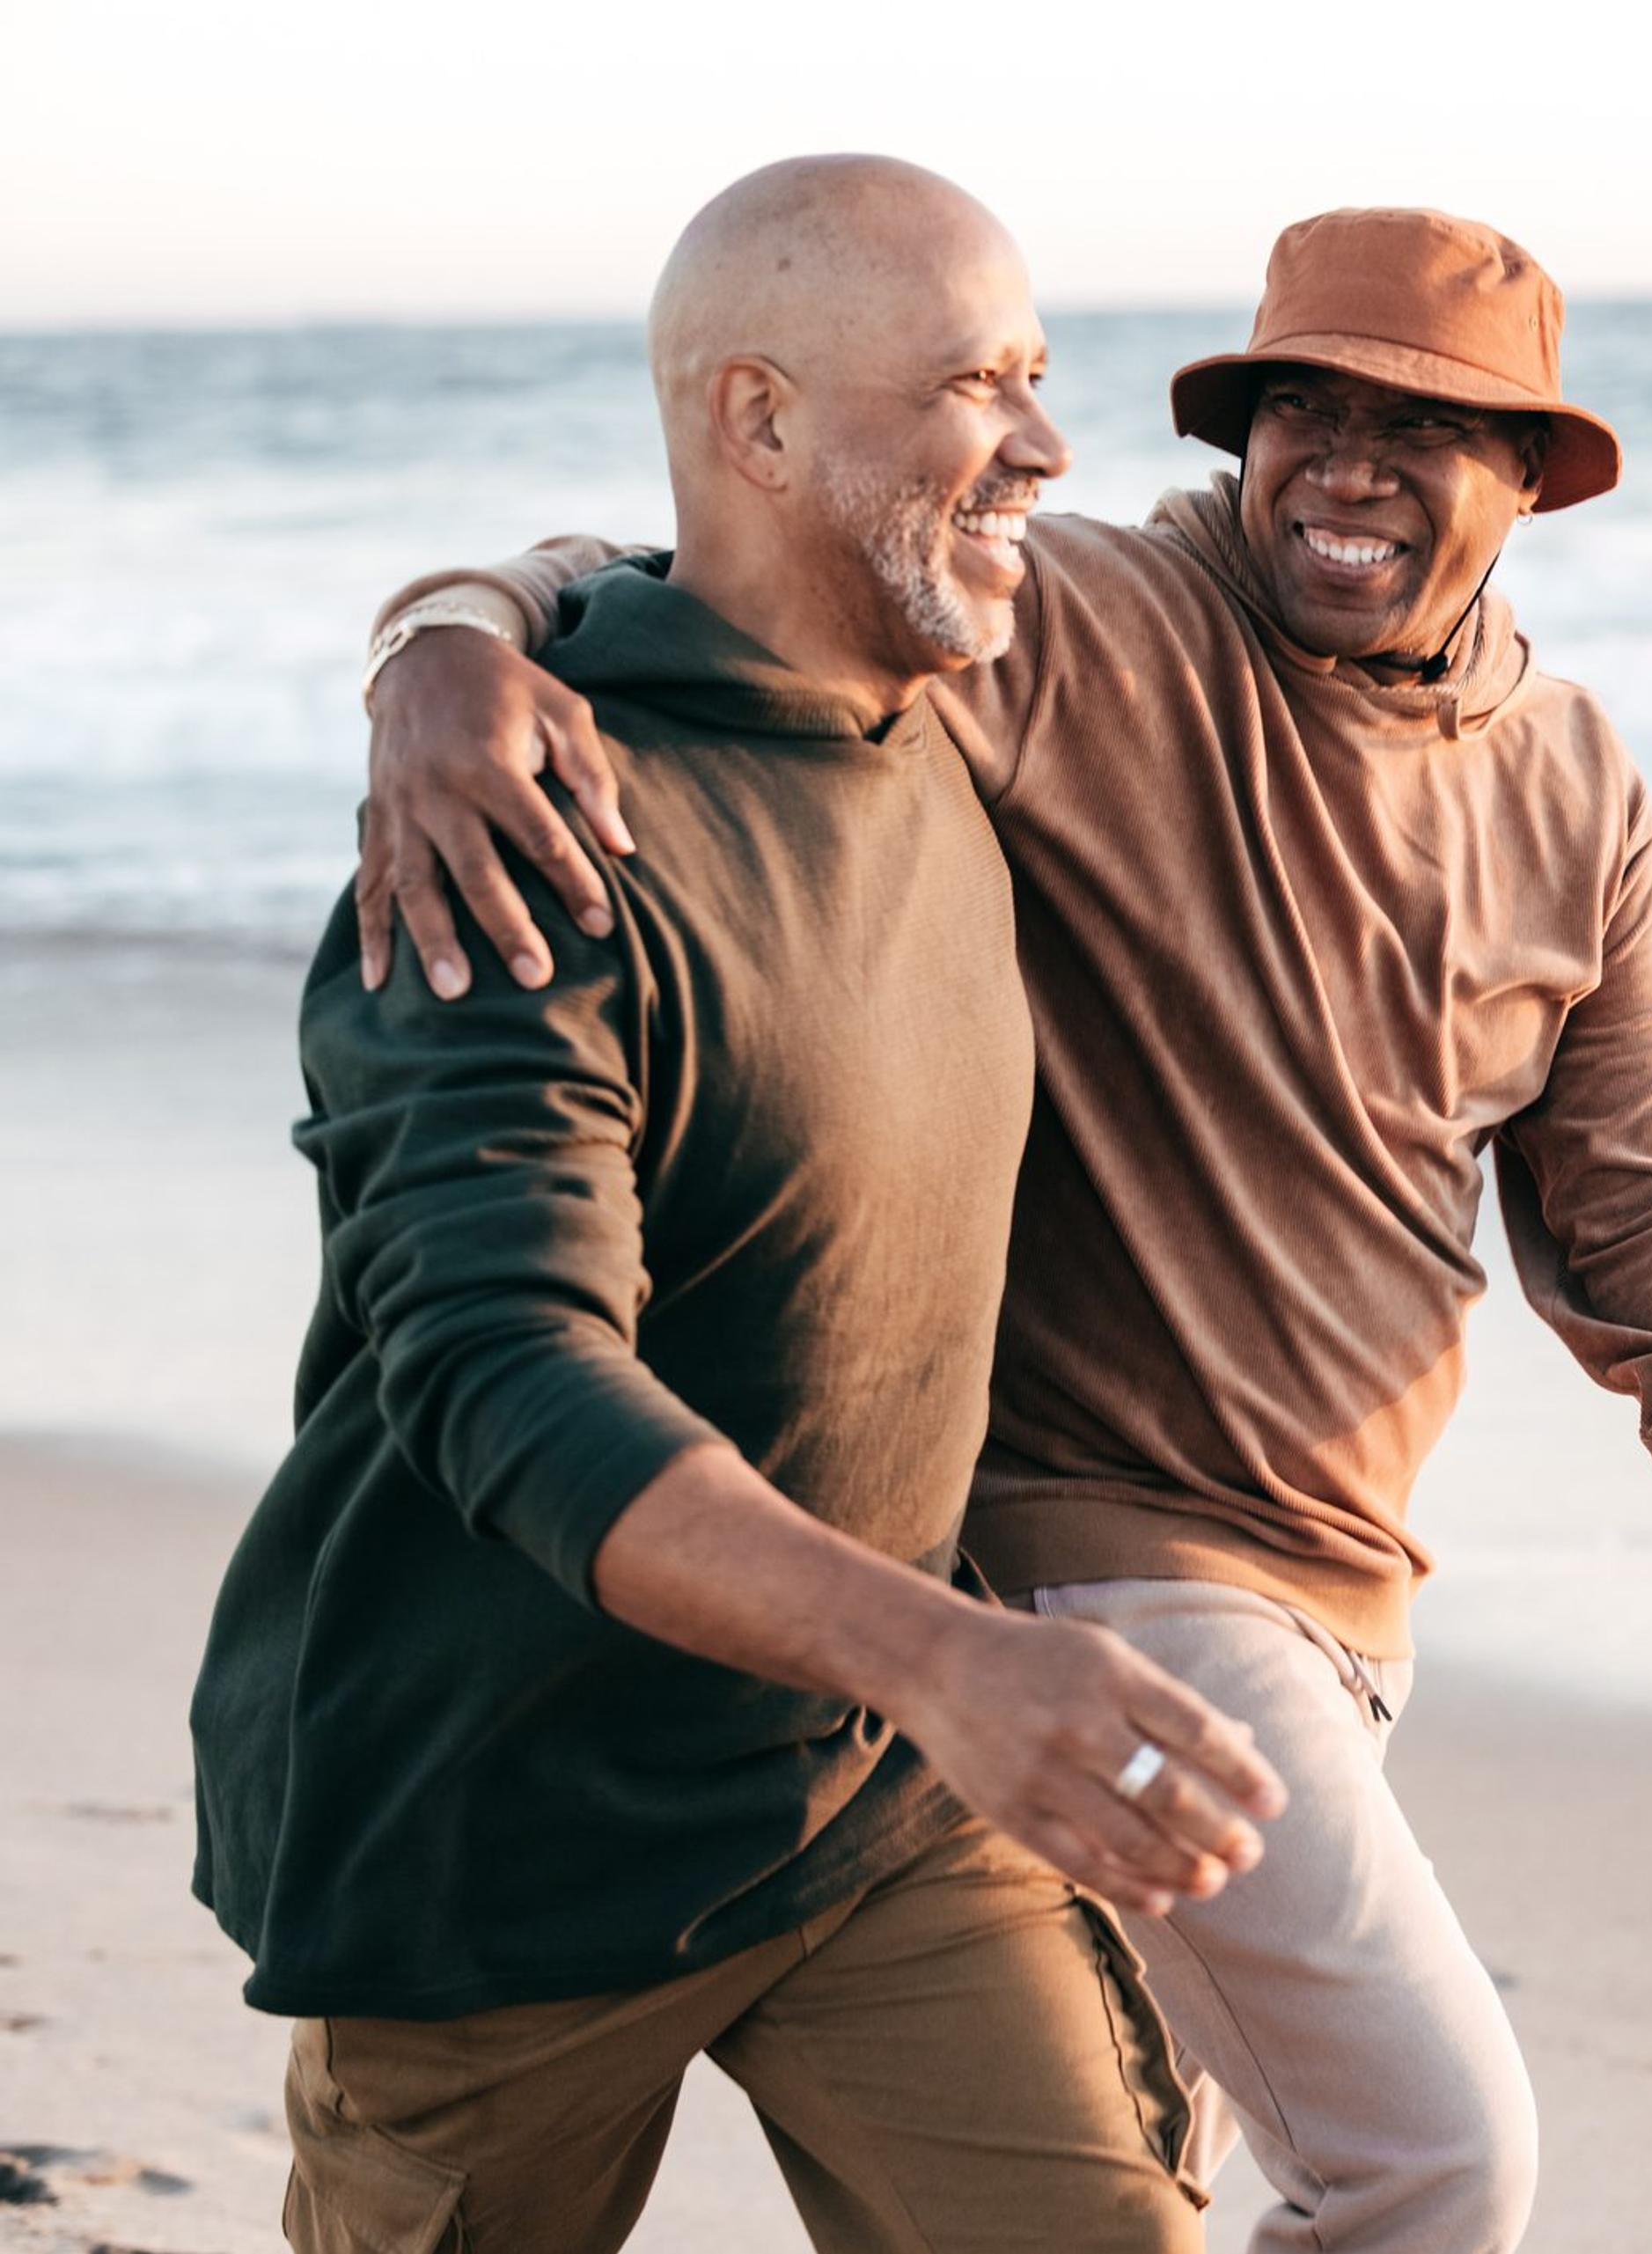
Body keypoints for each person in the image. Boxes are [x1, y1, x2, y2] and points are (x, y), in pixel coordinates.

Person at [353, 205, 1652, 2254]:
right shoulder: (1094, 628)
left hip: (1352, 1588)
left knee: (1153, 2181)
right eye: (1300, 408)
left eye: (1422, 429)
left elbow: (1640, 1172)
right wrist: (446, 640)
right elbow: (729, 569)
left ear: (1529, 481)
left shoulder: (1574, 778)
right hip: (1099, 1562)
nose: (1345, 464)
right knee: (1432, 2161)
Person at [192, 155, 1286, 2254]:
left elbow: (616, 569)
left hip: (870, 1810)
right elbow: (501, 1369)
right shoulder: (517, 838)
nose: (1049, 447)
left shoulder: (955, 707)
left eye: (1043, 376)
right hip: (499, 1844)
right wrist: (953, 1662)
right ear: (762, 421)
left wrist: (452, 614)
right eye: (982, 384)